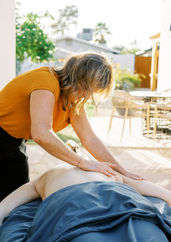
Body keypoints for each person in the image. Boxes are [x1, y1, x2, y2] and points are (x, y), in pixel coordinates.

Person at [0, 52, 143, 201]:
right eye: (86, 89)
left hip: (14, 143)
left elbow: (89, 138)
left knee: (15, 198)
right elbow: (41, 133)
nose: (87, 96)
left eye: (92, 93)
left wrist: (120, 170)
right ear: (76, 77)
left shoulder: (73, 98)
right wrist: (82, 162)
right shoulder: (45, 82)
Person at [0, 164, 170, 225]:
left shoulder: (44, 177)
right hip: (111, 194)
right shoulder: (105, 171)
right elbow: (155, 190)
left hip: (69, 201)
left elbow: (6, 206)